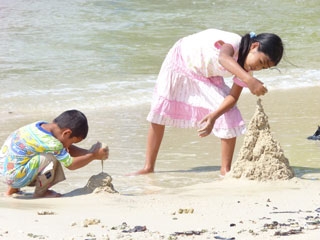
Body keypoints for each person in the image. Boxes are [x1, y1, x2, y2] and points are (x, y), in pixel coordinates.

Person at [135, 28, 284, 176]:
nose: (257, 68)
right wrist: (249, 80)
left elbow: (232, 98)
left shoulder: (246, 72)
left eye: (263, 68)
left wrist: (213, 116)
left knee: (229, 113)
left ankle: (225, 170)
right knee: (160, 112)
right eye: (260, 61)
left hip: (205, 74)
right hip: (180, 59)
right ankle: (148, 167)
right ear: (254, 46)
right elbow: (223, 58)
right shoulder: (234, 42)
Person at [0, 109, 109, 198]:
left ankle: (11, 190)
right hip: (15, 177)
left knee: (24, 155)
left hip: (4, 170)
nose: (68, 145)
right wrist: (93, 155)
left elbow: (66, 147)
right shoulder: (53, 144)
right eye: (72, 141)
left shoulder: (40, 126)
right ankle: (41, 193)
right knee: (51, 158)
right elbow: (70, 164)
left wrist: (89, 152)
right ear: (67, 133)